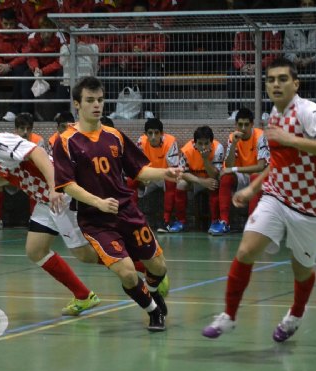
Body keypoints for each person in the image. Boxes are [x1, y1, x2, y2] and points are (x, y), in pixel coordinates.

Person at [202, 57, 316, 342]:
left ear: (296, 83)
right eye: (271, 80)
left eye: (282, 79)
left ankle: (296, 315)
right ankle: (229, 315)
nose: (276, 84)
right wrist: (253, 188)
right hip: (277, 197)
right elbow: (276, 163)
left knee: (301, 270)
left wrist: (290, 139)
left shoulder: (310, 112)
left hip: (310, 208)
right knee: (245, 251)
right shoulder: (274, 117)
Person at [53, 76, 180, 331]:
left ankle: (153, 292)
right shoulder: (65, 141)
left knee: (158, 266)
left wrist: (164, 172)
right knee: (127, 272)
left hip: (127, 212)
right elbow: (67, 185)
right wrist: (98, 203)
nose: (96, 105)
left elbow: (140, 171)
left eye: (100, 100)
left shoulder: (114, 135)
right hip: (95, 220)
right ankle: (154, 312)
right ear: (77, 104)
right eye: (90, 100)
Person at [0, 111, 102, 316]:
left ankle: (143, 267)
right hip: (45, 202)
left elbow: (38, 154)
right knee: (35, 250)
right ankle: (83, 295)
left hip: (60, 195)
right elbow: (10, 175)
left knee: (85, 255)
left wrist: (54, 188)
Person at [217, 108, 269, 234]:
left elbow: (261, 166)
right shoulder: (233, 137)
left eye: (246, 124)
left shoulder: (260, 136)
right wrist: (234, 144)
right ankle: (224, 222)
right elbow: (228, 165)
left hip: (261, 177)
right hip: (243, 175)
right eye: (240, 125)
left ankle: (251, 225)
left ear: (252, 125)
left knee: (254, 177)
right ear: (236, 125)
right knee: (226, 178)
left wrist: (234, 169)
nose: (243, 128)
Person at [4, 16, 63, 121]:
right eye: (43, 31)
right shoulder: (32, 39)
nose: (46, 35)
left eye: (49, 32)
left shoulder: (60, 40)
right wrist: (35, 68)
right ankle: (27, 112)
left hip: (53, 70)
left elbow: (60, 61)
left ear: (53, 30)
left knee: (63, 76)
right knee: (26, 76)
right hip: (37, 69)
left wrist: (43, 71)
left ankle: (60, 112)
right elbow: (31, 56)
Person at [169, 126, 225, 234]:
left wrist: (205, 158)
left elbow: (214, 174)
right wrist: (201, 181)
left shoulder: (218, 148)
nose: (203, 147)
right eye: (200, 143)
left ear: (211, 142)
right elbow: (182, 173)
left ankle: (215, 222)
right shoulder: (186, 150)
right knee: (180, 184)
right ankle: (180, 221)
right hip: (195, 180)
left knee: (214, 183)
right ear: (195, 143)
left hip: (211, 178)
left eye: (206, 143)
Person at [129, 118, 179, 232]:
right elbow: (136, 165)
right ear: (145, 134)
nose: (153, 136)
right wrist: (142, 176)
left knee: (172, 180)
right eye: (150, 133)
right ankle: (133, 218)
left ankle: (165, 221)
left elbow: (174, 169)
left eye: (156, 133)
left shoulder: (171, 142)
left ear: (161, 133)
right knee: (131, 180)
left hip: (165, 177)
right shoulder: (141, 142)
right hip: (149, 177)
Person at [227, 27, 282, 119]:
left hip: (265, 65)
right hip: (247, 66)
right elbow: (236, 53)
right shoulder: (240, 31)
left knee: (272, 73)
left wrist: (258, 65)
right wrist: (242, 66)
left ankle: (268, 112)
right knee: (232, 72)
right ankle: (235, 111)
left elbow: (274, 54)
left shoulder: (273, 31)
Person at [283, 0, 316, 101]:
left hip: (315, 63)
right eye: (304, 4)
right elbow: (286, 50)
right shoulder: (290, 27)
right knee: (288, 69)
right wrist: (295, 59)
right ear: (299, 7)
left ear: (315, 7)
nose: (307, 7)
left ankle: (314, 105)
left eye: (310, 4)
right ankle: (294, 108)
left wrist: (311, 59)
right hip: (296, 63)